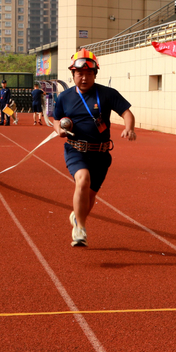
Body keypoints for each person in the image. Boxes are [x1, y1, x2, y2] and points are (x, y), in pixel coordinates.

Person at [53, 49, 136, 247]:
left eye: (88, 74)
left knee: (89, 198)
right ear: (73, 74)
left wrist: (129, 128)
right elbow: (55, 118)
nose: (84, 78)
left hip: (101, 154)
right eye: (79, 74)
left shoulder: (107, 94)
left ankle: (78, 216)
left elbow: (126, 113)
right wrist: (59, 129)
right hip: (76, 149)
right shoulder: (64, 97)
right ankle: (80, 229)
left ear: (95, 74)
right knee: (82, 179)